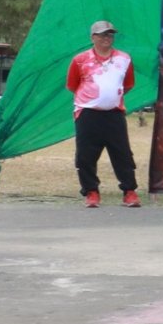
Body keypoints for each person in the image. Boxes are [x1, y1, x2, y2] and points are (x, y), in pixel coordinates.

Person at [67, 20, 139, 208]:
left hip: (114, 113)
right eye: (102, 34)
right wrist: (93, 98)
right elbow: (73, 85)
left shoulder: (124, 58)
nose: (107, 38)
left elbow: (128, 84)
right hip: (87, 113)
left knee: (122, 153)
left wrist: (110, 96)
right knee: (85, 155)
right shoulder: (80, 59)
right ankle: (91, 192)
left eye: (110, 34)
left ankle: (129, 191)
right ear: (93, 37)